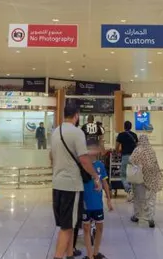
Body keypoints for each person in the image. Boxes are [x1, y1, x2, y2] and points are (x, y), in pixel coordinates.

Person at [50, 101, 101, 259]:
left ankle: (70, 255)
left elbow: (51, 156)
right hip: (71, 186)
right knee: (66, 228)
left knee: (69, 225)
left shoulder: (55, 132)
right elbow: (84, 160)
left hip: (57, 184)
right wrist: (96, 177)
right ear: (77, 115)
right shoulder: (77, 132)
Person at [81, 144, 114, 259]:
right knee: (86, 228)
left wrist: (109, 200)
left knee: (100, 227)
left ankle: (96, 252)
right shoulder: (82, 166)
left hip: (97, 204)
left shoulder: (100, 166)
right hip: (85, 203)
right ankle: (89, 255)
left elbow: (104, 183)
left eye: (94, 150)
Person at [128, 133, 162, 228]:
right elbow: (155, 163)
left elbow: (131, 160)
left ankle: (137, 216)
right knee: (151, 198)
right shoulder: (151, 150)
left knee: (138, 198)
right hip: (152, 178)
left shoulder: (138, 150)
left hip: (140, 178)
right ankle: (150, 218)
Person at [115, 121, 137, 187]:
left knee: (123, 174)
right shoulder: (134, 135)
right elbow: (137, 147)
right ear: (131, 127)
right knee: (133, 173)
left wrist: (117, 153)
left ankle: (127, 188)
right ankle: (133, 188)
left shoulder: (121, 135)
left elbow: (117, 146)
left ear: (124, 127)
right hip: (133, 157)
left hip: (125, 156)